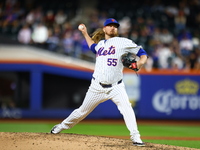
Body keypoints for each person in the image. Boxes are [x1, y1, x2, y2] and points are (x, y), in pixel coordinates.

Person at [50, 18, 148, 146]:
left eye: (115, 26)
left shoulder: (123, 42)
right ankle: (61, 126)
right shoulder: (101, 44)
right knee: (81, 112)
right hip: (96, 87)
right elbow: (92, 46)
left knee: (127, 108)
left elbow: (142, 53)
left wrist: (140, 63)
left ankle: (136, 137)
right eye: (110, 25)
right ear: (104, 29)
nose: (113, 28)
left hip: (116, 87)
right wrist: (85, 33)